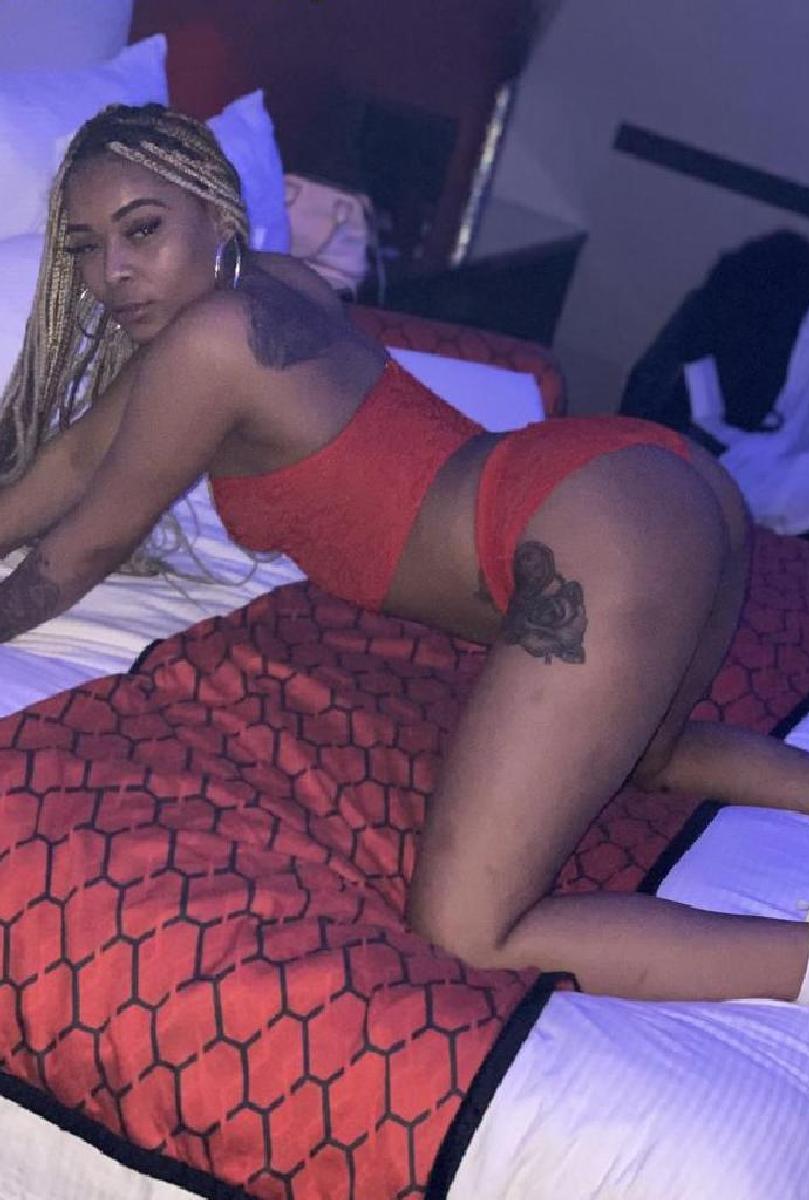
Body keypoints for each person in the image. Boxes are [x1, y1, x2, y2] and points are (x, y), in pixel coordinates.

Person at [0, 102, 808, 1005]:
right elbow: (75, 461)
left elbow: (82, 551)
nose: (111, 272)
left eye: (142, 230)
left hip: (589, 534)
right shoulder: (273, 284)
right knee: (650, 761)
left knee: (470, 932)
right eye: (83, 247)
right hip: (660, 480)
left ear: (216, 212)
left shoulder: (208, 344)